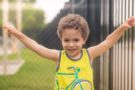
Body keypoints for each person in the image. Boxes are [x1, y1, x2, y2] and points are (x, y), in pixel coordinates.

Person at [3, 14, 135, 90]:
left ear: (83, 40)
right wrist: (16, 33)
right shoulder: (58, 57)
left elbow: (107, 42)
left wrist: (122, 28)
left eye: (76, 40)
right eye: (66, 40)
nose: (71, 44)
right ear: (61, 40)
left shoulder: (89, 54)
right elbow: (36, 47)